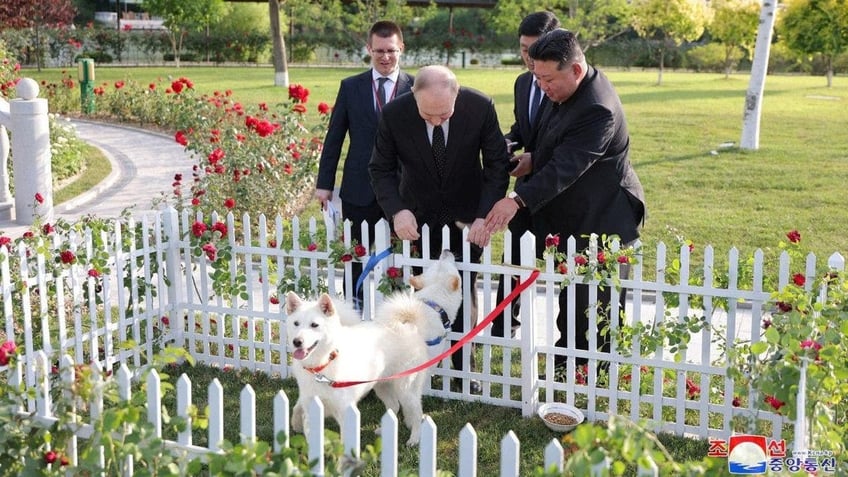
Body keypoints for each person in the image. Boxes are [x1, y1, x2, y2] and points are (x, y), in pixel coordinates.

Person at [484, 29, 646, 373]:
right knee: (571, 300)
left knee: (592, 307)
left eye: (547, 78)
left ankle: (587, 375)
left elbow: (567, 166)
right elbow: (551, 144)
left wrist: (516, 199)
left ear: (574, 69)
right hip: (573, 214)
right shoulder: (563, 90)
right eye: (536, 77)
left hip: (604, 218)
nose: (541, 86)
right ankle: (566, 369)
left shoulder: (597, 108)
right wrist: (531, 160)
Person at [370, 65, 510, 386]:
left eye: (443, 115)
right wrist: (398, 211)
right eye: (427, 116)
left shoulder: (480, 107)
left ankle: (463, 368)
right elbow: (380, 168)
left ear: (456, 96)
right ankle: (422, 364)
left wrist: (483, 215)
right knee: (421, 291)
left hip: (468, 218)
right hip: (418, 217)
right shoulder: (395, 114)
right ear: (413, 98)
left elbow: (497, 166)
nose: (435, 121)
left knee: (463, 288)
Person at [315, 21, 414, 308]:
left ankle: (396, 316)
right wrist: (324, 184)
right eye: (379, 51)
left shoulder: (416, 86)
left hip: (401, 190)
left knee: (399, 259)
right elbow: (334, 137)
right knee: (354, 258)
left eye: (392, 51)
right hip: (358, 189)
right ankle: (354, 313)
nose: (385, 57)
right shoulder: (351, 87)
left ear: (401, 49)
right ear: (369, 49)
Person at [491, 11, 561, 339]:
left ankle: (570, 338)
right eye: (523, 49)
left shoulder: (564, 85)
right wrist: (508, 141)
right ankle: (505, 325)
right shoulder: (522, 83)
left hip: (562, 188)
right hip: (525, 187)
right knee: (513, 261)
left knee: (565, 268)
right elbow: (524, 128)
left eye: (536, 50)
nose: (530, 59)